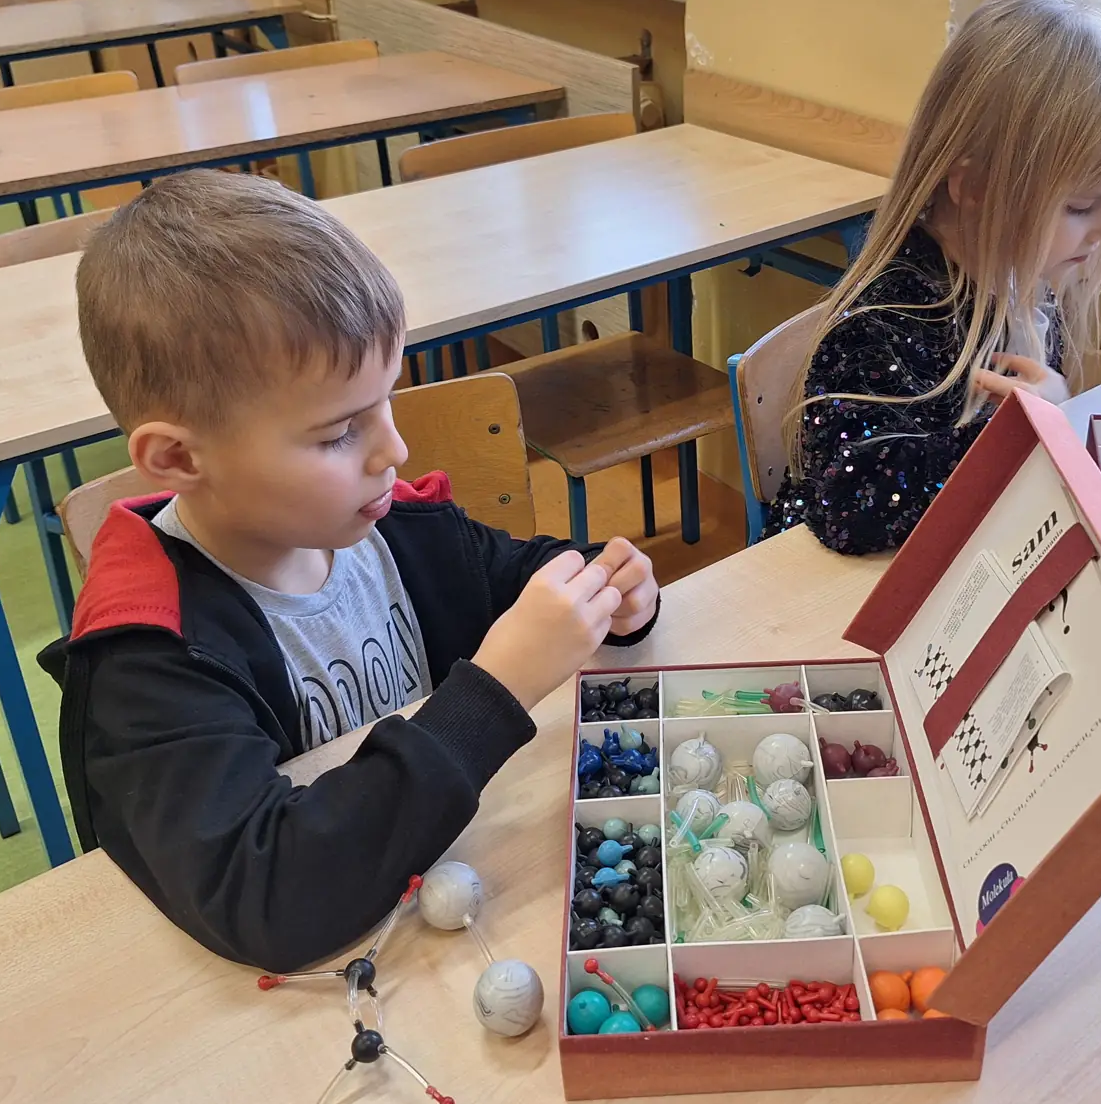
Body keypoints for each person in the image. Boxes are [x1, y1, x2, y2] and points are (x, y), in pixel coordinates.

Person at [39, 171, 660, 971]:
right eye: (339, 432)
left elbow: (517, 575)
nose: (393, 449)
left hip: (441, 919)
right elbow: (271, 897)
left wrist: (611, 590)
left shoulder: (391, 527)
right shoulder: (149, 665)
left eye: (386, 401)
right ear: (180, 459)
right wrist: (497, 692)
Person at [764, 0, 1101, 556]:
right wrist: (1023, 435)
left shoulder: (1023, 282)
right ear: (974, 186)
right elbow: (849, 508)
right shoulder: (884, 317)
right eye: (1082, 206)